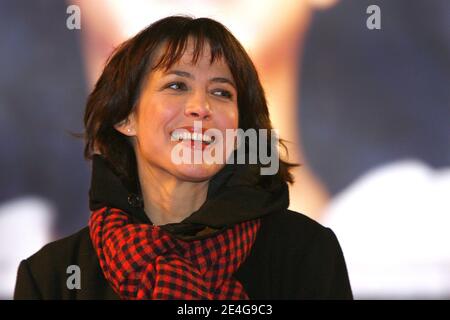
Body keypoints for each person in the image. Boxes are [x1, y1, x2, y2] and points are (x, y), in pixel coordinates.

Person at [13, 16, 352, 300]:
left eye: (221, 92)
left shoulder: (305, 255)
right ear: (126, 117)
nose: (201, 108)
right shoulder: (53, 277)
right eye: (177, 85)